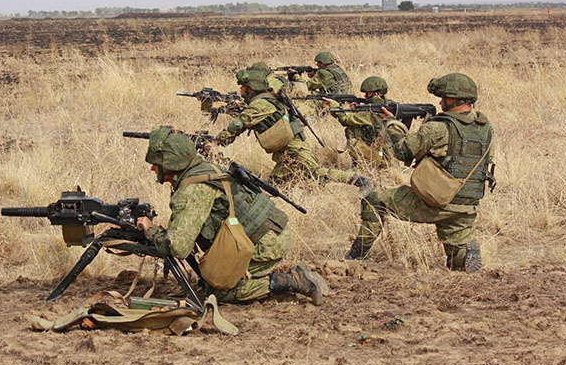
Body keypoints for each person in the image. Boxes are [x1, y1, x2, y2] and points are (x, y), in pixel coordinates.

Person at [137, 127, 328, 305]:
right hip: (270, 232)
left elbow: (178, 246)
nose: (153, 169)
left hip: (265, 244)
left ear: (171, 164)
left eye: (156, 164)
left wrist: (151, 231)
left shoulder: (193, 190)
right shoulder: (205, 169)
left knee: (222, 292)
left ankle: (293, 280)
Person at [347, 73, 495, 273]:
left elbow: (403, 151)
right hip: (467, 204)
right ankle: (465, 254)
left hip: (437, 200)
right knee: (456, 256)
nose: (441, 102)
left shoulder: (438, 128)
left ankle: (357, 255)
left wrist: (392, 124)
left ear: (455, 98)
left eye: (444, 97)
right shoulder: (486, 129)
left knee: (374, 200)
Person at [214, 64, 371, 192]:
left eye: (242, 87)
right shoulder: (263, 100)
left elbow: (239, 124)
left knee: (317, 173)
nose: (240, 90)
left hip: (295, 148)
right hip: (285, 152)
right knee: (274, 185)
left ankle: (358, 180)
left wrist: (216, 143)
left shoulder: (260, 104)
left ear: (251, 88)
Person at [325, 75, 395, 169]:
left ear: (377, 93)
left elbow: (345, 120)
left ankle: (369, 166)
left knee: (352, 130)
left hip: (384, 159)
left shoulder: (371, 111)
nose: (365, 96)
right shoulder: (389, 106)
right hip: (389, 154)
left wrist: (335, 106)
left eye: (368, 93)